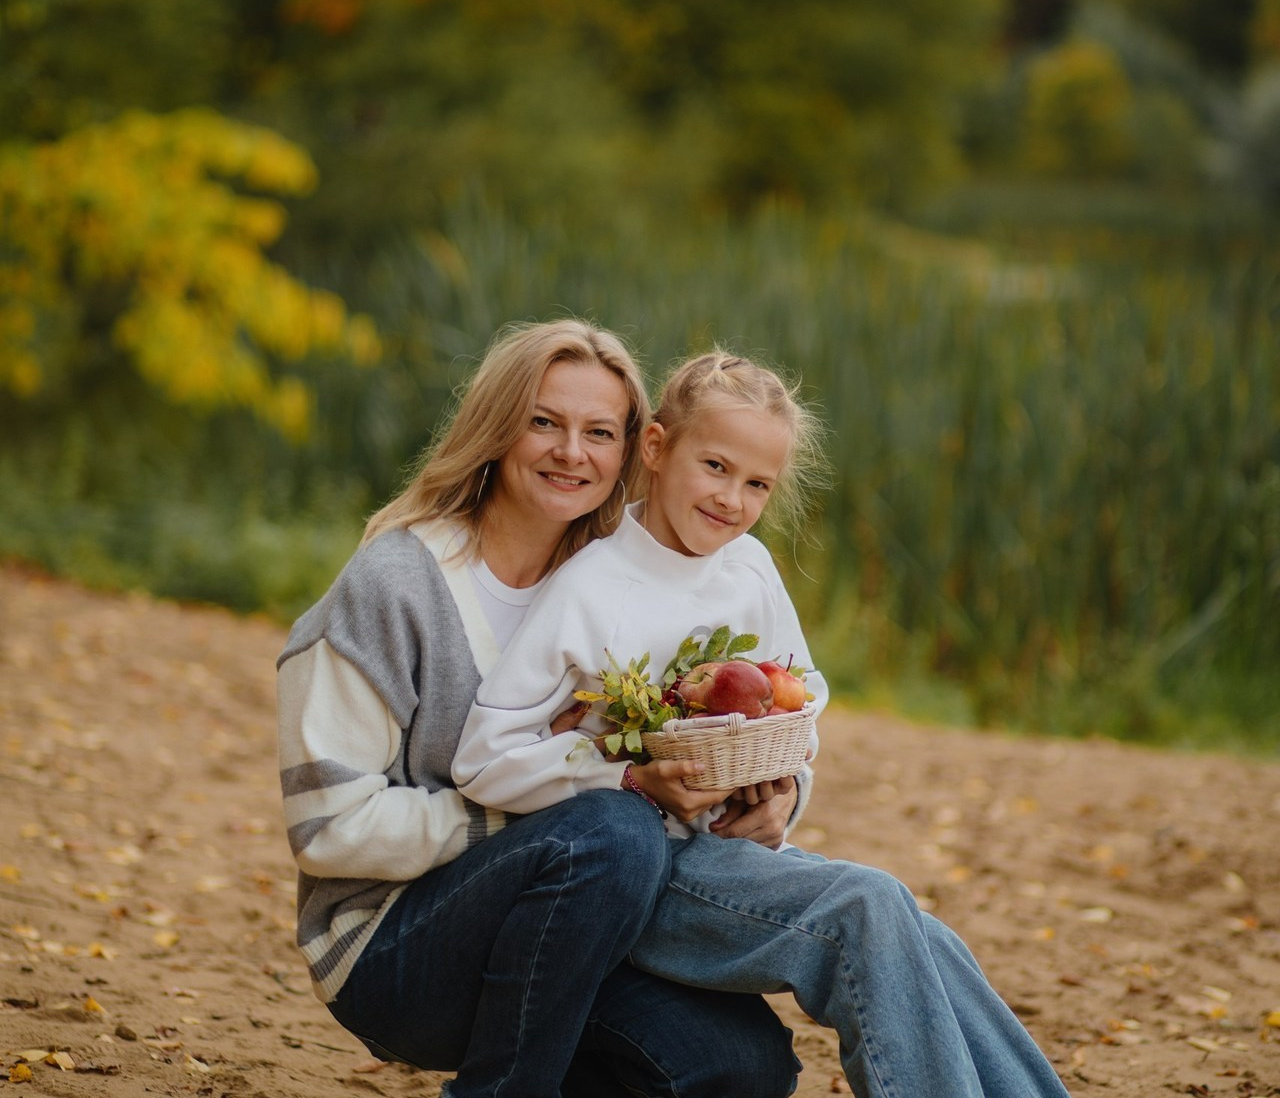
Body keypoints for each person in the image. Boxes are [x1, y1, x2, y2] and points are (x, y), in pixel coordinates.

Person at [454, 350, 1073, 1098]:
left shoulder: (747, 567)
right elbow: (483, 760)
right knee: (866, 908)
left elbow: (798, 700)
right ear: (655, 448)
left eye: (757, 484)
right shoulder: (589, 587)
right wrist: (622, 773)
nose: (732, 499)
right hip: (639, 879)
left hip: (732, 860)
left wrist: (786, 792)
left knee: (919, 932)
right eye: (715, 466)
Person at [275, 322, 803, 1098]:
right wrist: (558, 800)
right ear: (496, 426)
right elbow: (328, 830)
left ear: (636, 449)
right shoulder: (394, 587)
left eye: (599, 433)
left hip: (569, 931)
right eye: (544, 422)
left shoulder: (609, 585)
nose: (572, 452)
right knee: (613, 829)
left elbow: (706, 732)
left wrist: (777, 794)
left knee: (742, 1063)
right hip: (392, 946)